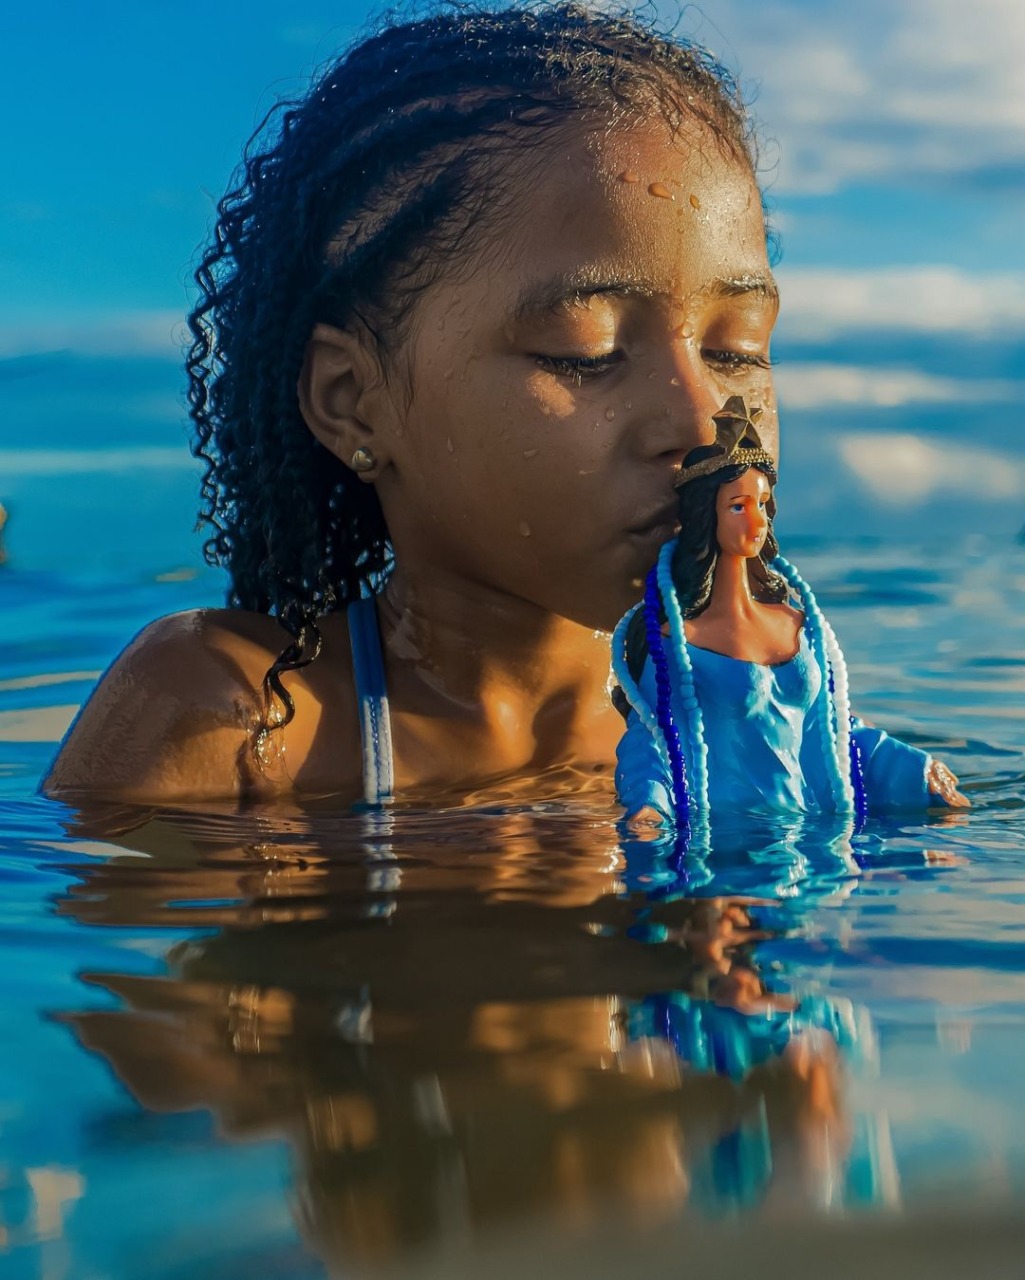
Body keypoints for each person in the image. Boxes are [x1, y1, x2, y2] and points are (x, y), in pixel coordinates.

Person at [46, 4, 790, 806]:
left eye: (734, 350)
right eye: (585, 352)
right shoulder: (244, 727)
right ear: (353, 402)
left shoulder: (746, 706)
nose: (696, 421)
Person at [612, 398, 969, 826]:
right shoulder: (679, 641)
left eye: (762, 504)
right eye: (739, 506)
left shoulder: (798, 624)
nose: (757, 522)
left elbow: (833, 727)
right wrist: (648, 806)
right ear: (706, 515)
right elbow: (651, 738)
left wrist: (915, 768)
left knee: (935, 858)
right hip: (733, 843)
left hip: (814, 837)